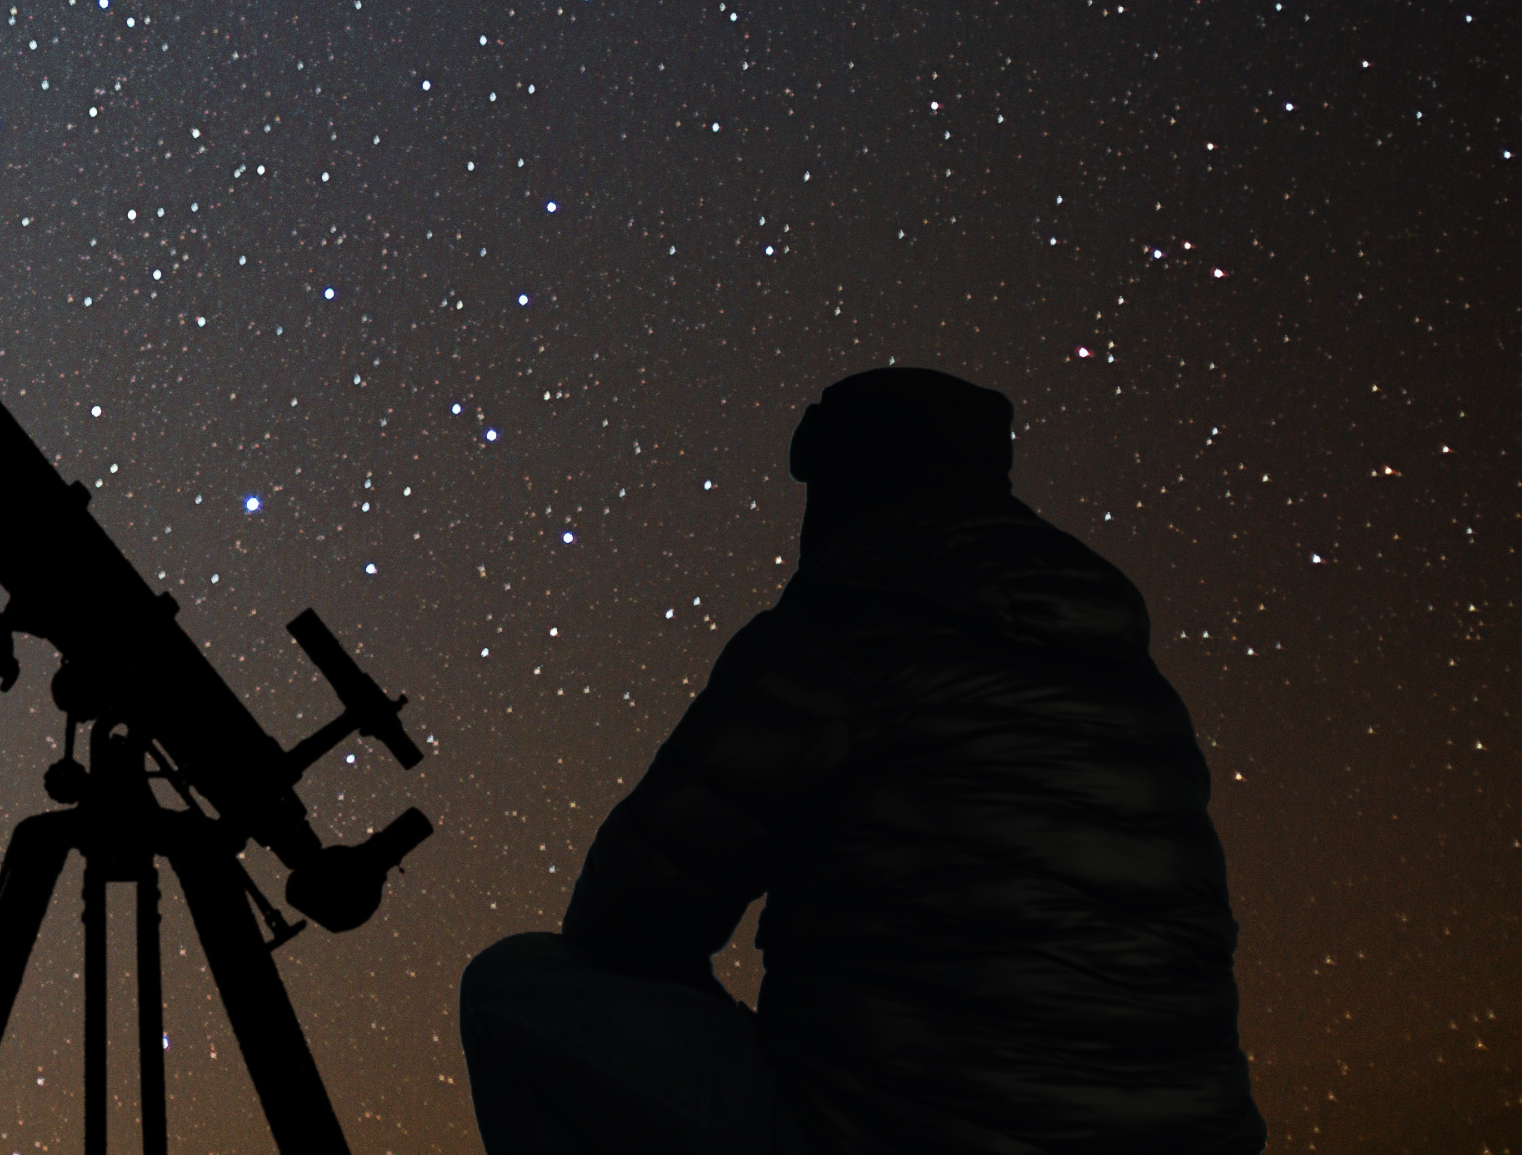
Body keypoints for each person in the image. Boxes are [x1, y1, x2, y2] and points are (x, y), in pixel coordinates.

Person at [460, 367, 1263, 1155]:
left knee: (515, 993)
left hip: (902, 1132)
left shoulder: (839, 636)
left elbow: (627, 916)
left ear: (847, 481)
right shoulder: (1135, 683)